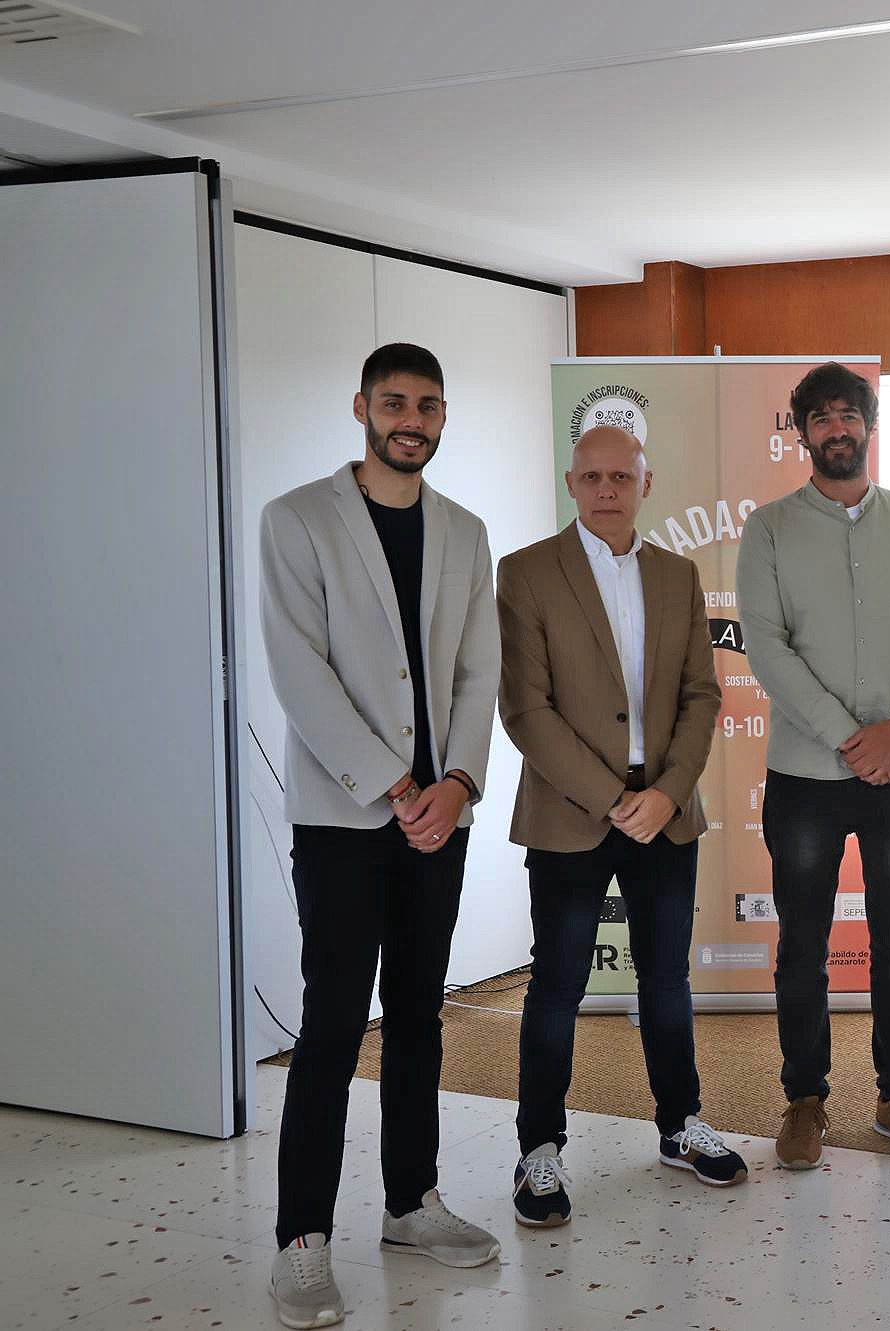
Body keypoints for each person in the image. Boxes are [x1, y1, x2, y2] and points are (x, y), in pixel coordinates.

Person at [259, 343, 501, 1328]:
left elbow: (478, 669)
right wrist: (398, 783)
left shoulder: (464, 530)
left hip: (437, 818)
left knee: (417, 1014)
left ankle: (411, 1201)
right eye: (395, 402)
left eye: (430, 404)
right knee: (329, 1027)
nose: (413, 418)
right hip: (345, 816)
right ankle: (301, 1241)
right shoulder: (299, 518)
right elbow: (296, 669)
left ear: (444, 416)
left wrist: (458, 782)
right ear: (362, 407)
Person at [497, 424, 746, 1227]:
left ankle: (680, 1125)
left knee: (667, 980)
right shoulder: (527, 572)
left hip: (665, 813)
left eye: (621, 476)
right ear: (571, 482)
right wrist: (613, 797)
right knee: (558, 985)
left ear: (647, 482)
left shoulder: (678, 575)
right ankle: (539, 1151)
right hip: (573, 811)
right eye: (592, 476)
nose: (607, 489)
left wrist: (668, 792)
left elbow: (703, 696)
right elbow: (525, 709)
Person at [737, 362, 890, 1168]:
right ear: (799, 431)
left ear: (870, 424)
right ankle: (806, 1097)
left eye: (848, 414)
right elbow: (768, 647)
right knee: (803, 940)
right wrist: (848, 736)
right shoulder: (768, 529)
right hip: (806, 775)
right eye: (820, 417)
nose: (836, 429)